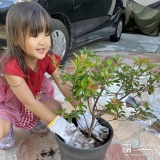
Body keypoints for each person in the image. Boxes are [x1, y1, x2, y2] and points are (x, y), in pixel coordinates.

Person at [0, 2, 108, 150]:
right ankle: (7, 129)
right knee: (1, 129)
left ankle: (36, 119)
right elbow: (29, 103)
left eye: (46, 33)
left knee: (57, 108)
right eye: (34, 35)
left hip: (34, 96)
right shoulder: (10, 65)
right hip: (10, 103)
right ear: (17, 39)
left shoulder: (47, 58)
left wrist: (85, 116)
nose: (43, 41)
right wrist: (64, 129)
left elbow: (63, 84)